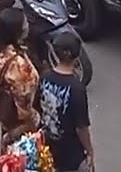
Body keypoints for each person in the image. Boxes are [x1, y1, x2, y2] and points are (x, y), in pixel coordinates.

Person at [0, 7, 40, 147]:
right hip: (20, 117)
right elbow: (25, 109)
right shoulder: (21, 68)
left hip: (5, 109)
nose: (27, 26)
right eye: (24, 24)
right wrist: (32, 122)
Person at [37, 32, 95, 172]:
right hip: (70, 154)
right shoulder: (77, 89)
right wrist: (89, 150)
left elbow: (38, 107)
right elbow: (81, 127)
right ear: (76, 56)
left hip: (47, 145)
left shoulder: (44, 77)